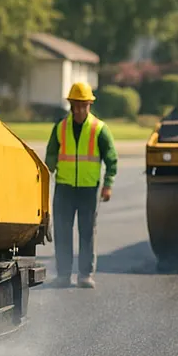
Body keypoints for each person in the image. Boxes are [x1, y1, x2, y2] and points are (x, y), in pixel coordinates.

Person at [44, 82, 118, 289]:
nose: (77, 110)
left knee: (87, 233)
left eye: (81, 105)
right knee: (62, 233)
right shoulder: (60, 127)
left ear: (89, 105)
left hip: (89, 189)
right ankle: (63, 275)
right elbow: (50, 157)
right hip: (64, 188)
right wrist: (45, 176)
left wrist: (108, 184)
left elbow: (111, 159)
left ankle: (85, 275)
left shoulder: (99, 129)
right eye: (74, 105)